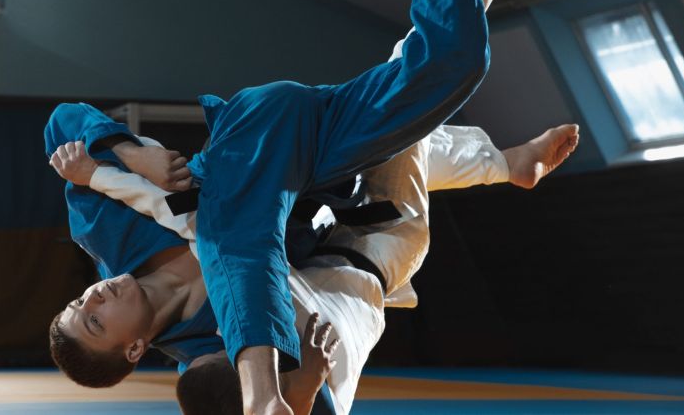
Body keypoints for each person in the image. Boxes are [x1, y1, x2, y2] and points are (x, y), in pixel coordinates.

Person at [53, 122, 577, 414]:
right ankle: (506, 161)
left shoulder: (109, 233)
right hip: (365, 253)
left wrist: (123, 156)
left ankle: (509, 164)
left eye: (79, 302)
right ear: (135, 349)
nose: (93, 299)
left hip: (321, 210)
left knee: (379, 126)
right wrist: (302, 392)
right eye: (94, 321)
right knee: (400, 122)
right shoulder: (208, 357)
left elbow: (62, 124)